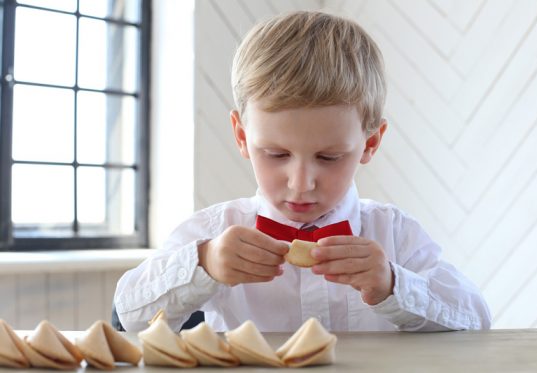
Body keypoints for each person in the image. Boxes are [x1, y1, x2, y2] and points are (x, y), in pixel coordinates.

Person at [114, 11, 491, 332]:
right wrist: (204, 264)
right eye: (276, 154)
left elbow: (477, 320)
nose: (300, 183)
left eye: (328, 158)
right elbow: (129, 316)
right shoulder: (216, 230)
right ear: (242, 137)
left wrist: (394, 284)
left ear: (370, 144)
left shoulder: (395, 234)